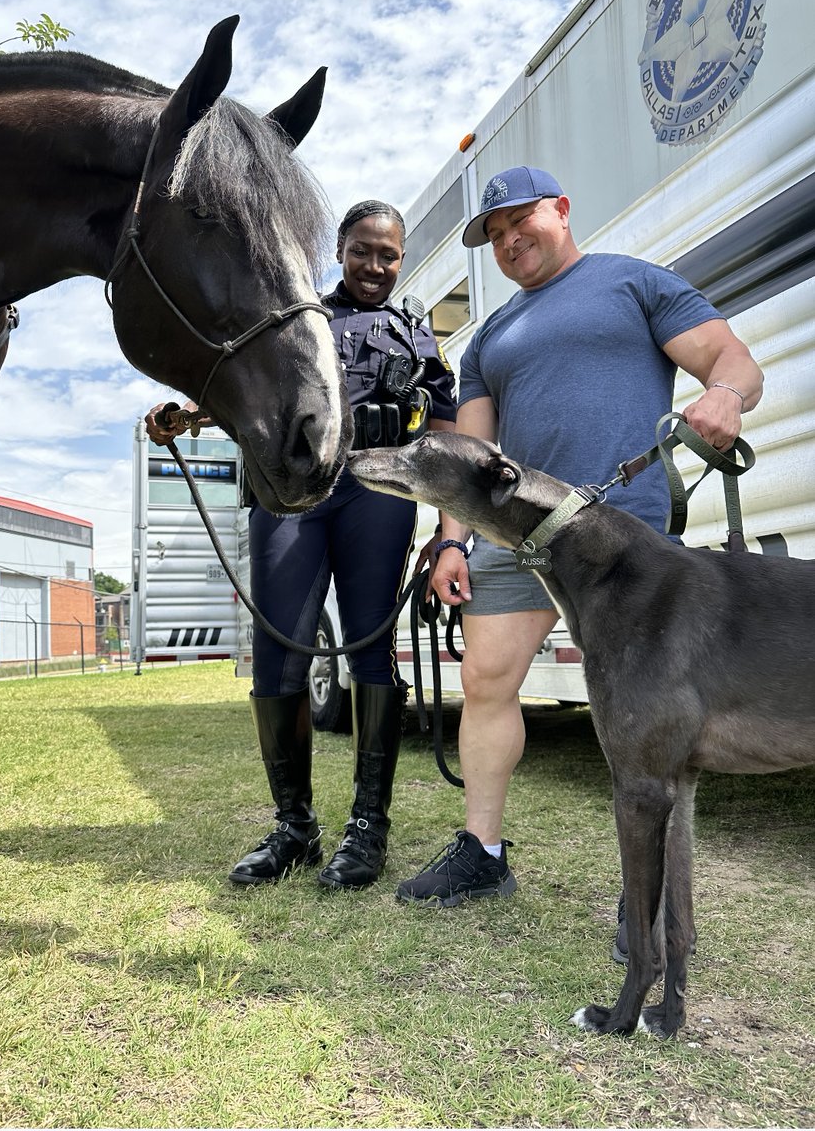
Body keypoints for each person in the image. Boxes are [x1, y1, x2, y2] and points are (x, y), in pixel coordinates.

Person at [396, 166, 763, 956]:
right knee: (486, 682)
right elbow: (471, 457)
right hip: (517, 537)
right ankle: (482, 853)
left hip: (620, 534)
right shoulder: (489, 336)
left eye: (519, 220)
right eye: (493, 234)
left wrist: (725, 397)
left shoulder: (635, 285)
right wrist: (452, 538)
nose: (507, 240)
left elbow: (732, 360)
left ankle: (650, 903)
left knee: (644, 720)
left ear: (562, 210)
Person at [146, 200, 456, 891]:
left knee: (370, 649)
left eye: (389, 254)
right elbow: (243, 390)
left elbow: (444, 424)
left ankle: (367, 830)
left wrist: (448, 521)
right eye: (363, 251)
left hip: (376, 497)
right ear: (340, 250)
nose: (375, 265)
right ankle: (295, 830)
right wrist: (185, 415)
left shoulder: (415, 335)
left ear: (400, 259)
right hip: (290, 495)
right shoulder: (296, 318)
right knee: (279, 654)